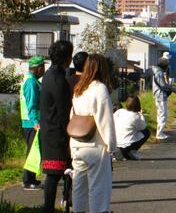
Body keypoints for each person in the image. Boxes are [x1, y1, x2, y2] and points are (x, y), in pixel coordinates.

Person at [70, 53, 116, 213]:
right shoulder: (99, 89)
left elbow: (73, 116)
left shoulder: (79, 89)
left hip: (77, 144)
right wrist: (111, 145)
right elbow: (105, 120)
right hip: (95, 145)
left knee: (79, 186)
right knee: (98, 187)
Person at [40, 40, 73, 213]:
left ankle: (55, 206)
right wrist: (69, 135)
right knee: (54, 175)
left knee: (57, 173)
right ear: (67, 58)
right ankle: (48, 209)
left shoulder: (49, 74)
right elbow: (63, 111)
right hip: (56, 133)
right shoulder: (59, 79)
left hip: (49, 129)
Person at [20, 55, 45, 190]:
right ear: (38, 68)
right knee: (32, 151)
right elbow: (32, 104)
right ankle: (27, 180)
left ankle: (32, 179)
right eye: (43, 68)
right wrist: (36, 121)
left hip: (30, 121)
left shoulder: (32, 80)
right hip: (31, 122)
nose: (44, 71)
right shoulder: (31, 82)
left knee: (33, 149)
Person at [114, 95, 150, 160]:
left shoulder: (119, 111)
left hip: (115, 143)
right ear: (138, 105)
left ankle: (122, 153)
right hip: (127, 145)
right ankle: (131, 150)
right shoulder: (136, 116)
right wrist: (141, 115)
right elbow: (143, 127)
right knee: (147, 132)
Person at [152, 57, 176, 140]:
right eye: (167, 65)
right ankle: (159, 133)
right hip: (160, 95)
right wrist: (172, 88)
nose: (167, 67)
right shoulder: (159, 72)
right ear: (164, 65)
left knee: (161, 114)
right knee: (163, 115)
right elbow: (162, 85)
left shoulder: (157, 71)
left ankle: (160, 132)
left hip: (159, 95)